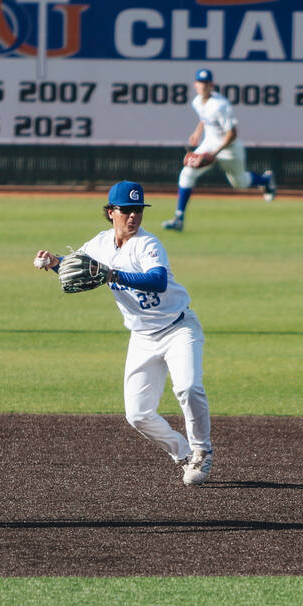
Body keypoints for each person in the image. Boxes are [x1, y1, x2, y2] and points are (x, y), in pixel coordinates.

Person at [37, 181, 214, 484]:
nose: (133, 216)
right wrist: (55, 263)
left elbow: (157, 281)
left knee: (187, 388)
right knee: (138, 415)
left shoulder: (148, 244)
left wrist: (112, 274)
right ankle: (183, 453)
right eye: (127, 210)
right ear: (111, 212)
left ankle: (202, 452)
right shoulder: (100, 244)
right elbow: (78, 268)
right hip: (142, 337)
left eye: (138, 210)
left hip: (178, 328)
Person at [161, 67, 276, 232]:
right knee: (187, 174)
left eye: (206, 83)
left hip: (229, 149)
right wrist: (197, 132)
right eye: (200, 83)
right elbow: (204, 118)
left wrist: (213, 154)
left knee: (240, 183)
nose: (203, 86)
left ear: (211, 85)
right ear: (195, 84)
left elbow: (233, 133)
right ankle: (179, 218)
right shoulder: (197, 101)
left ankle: (266, 180)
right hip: (209, 143)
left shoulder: (221, 105)